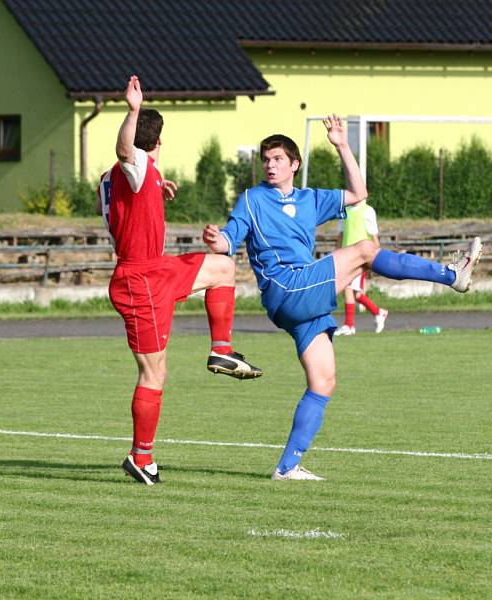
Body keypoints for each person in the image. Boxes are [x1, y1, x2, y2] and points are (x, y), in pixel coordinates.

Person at [203, 116, 483, 481]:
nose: (270, 165)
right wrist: (216, 240)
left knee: (323, 382)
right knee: (366, 249)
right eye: (266, 159)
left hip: (304, 298)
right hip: (286, 287)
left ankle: (287, 467)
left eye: (277, 159)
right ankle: (451, 276)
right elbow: (229, 238)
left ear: (294, 164)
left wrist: (341, 145)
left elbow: (358, 193)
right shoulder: (253, 199)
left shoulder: (310, 199)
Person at [96, 75, 263, 486]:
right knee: (154, 375)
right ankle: (141, 458)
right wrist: (133, 110)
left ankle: (222, 351)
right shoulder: (132, 164)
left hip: (157, 268)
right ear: (157, 141)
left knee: (223, 266)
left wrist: (155, 185)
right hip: (140, 279)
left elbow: (123, 190)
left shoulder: (139, 174)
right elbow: (124, 153)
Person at [334, 200, 388, 335]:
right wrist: (336, 252)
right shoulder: (344, 211)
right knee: (357, 294)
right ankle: (379, 312)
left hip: (361, 258)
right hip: (346, 257)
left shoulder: (368, 211)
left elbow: (374, 238)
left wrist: (378, 262)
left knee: (347, 288)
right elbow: (341, 235)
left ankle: (349, 326)